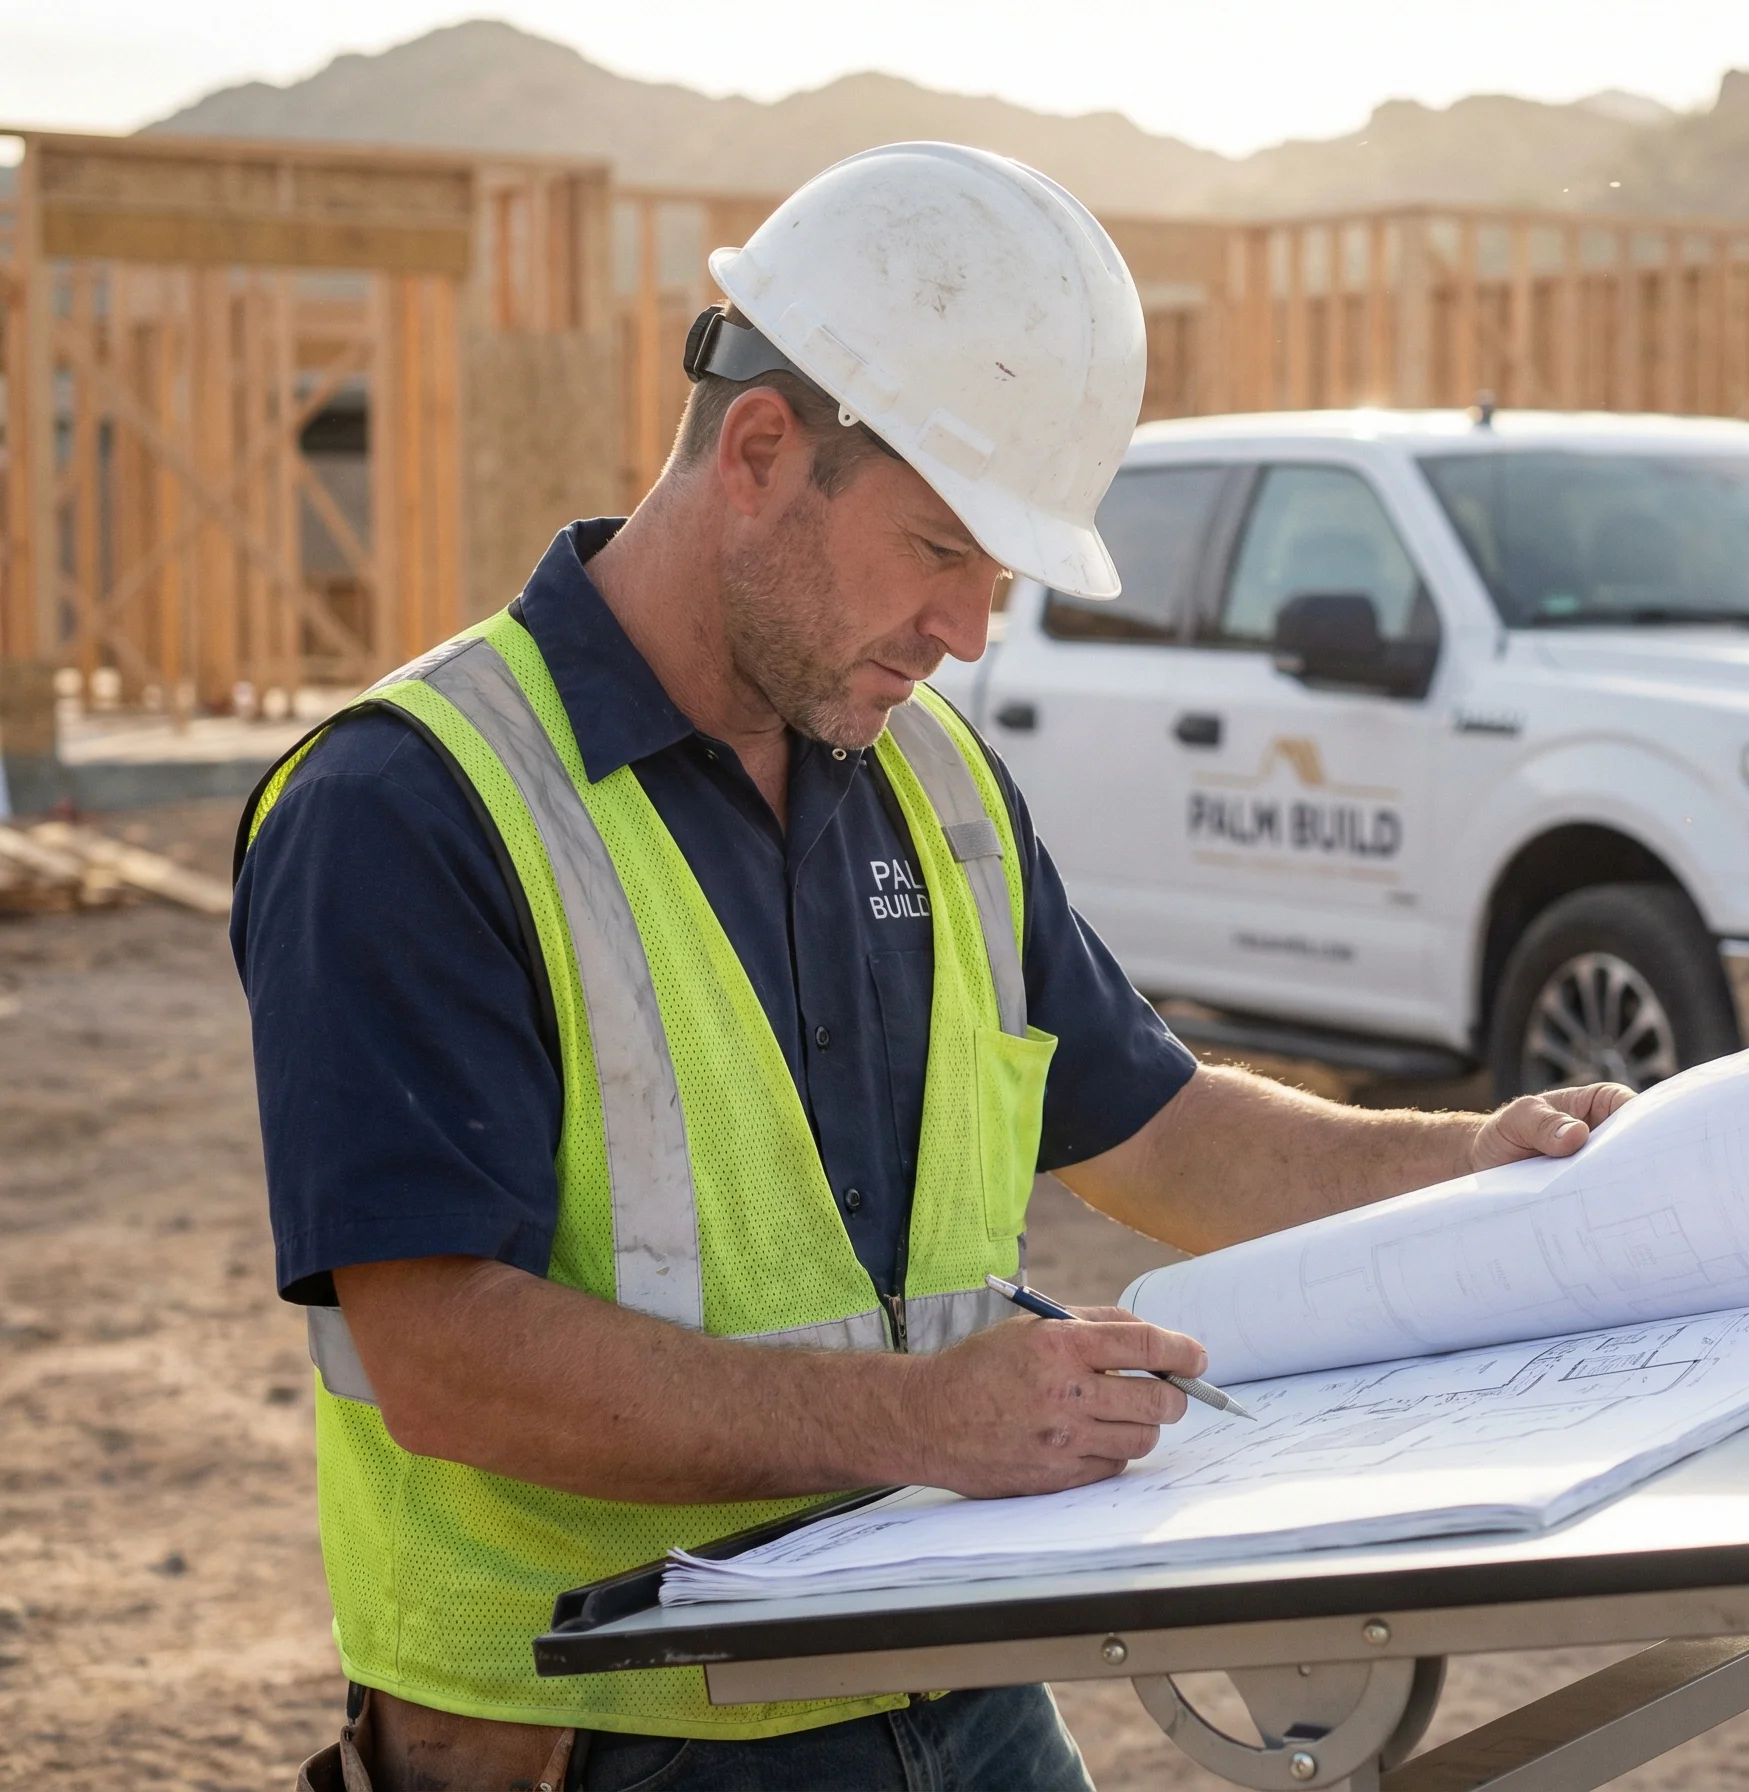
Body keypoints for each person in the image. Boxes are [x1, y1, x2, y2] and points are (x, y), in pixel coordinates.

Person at [236, 142, 1630, 1792]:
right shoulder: (412, 805)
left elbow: (1164, 1132)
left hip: (948, 1667)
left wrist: (1472, 1164)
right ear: (760, 450)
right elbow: (444, 1358)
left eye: (1000, 578)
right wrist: (929, 1420)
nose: (969, 632)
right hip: (607, 1728)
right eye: (939, 551)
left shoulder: (929, 776)